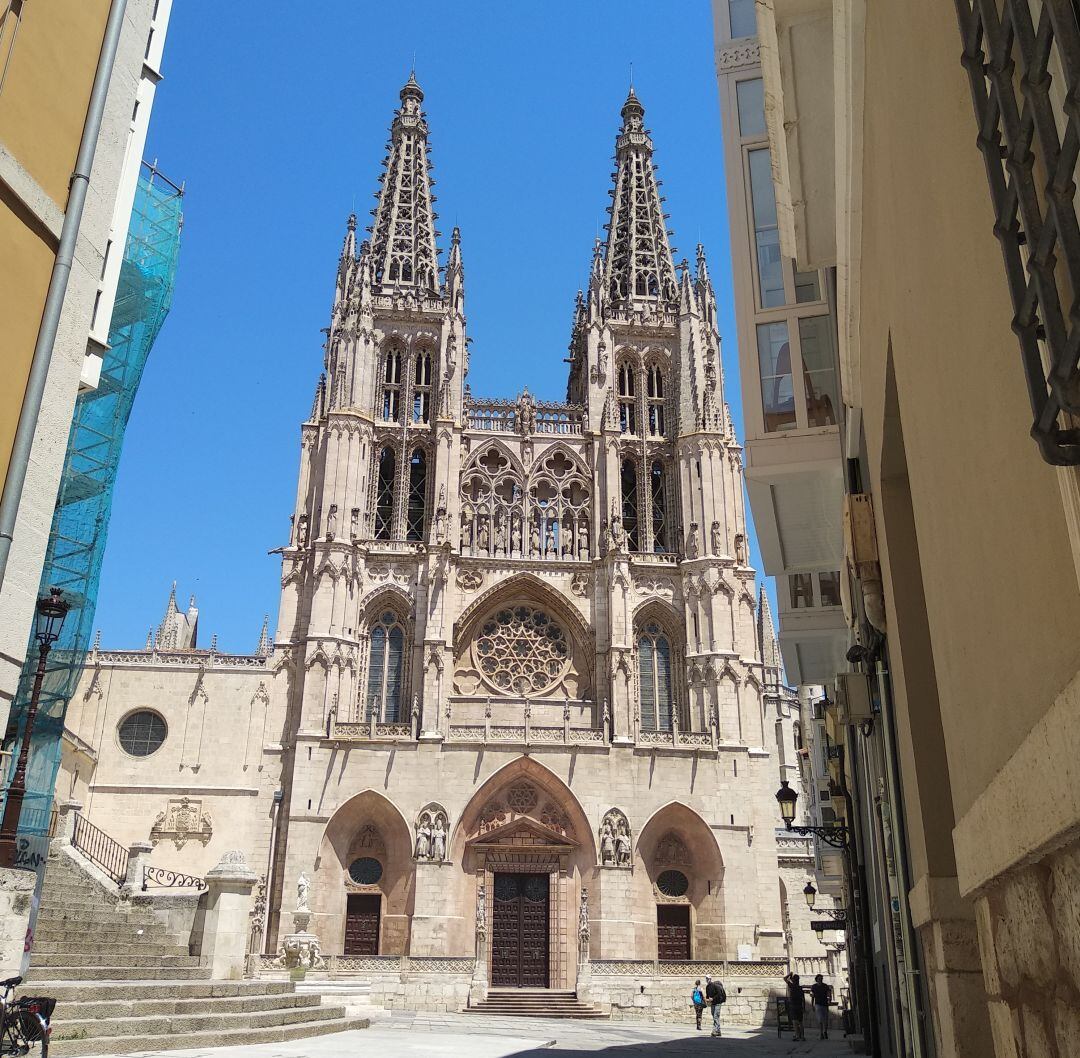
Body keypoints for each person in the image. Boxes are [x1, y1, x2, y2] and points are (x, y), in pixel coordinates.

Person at [784, 972, 806, 1041]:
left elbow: (784, 978)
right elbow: (803, 999)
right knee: (800, 1022)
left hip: (793, 1005)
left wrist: (789, 974)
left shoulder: (792, 986)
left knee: (794, 1022)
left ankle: (797, 1035)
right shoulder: (800, 988)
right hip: (800, 1006)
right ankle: (802, 1036)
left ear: (793, 980)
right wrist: (804, 1007)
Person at [810, 974, 833, 1039]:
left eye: (821, 978)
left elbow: (829, 993)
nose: (820, 980)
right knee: (820, 1019)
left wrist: (829, 1000)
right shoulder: (814, 987)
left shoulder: (825, 986)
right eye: (819, 979)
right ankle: (821, 1033)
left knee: (825, 1019)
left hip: (825, 1004)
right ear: (816, 979)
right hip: (818, 1004)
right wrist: (812, 1005)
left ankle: (825, 1031)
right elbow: (812, 996)